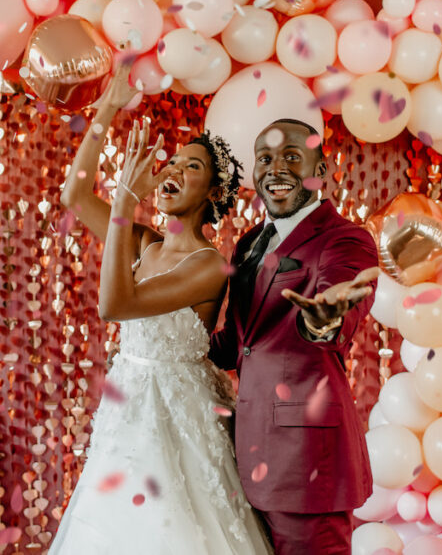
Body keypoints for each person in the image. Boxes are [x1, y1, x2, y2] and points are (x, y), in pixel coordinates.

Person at [50, 62, 272, 555]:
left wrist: (126, 208)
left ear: (213, 193)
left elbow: (115, 304)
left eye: (191, 167)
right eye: (172, 161)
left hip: (177, 416)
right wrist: (108, 106)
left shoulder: (208, 264)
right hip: (127, 410)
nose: (172, 169)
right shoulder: (146, 244)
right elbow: (75, 195)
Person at [209, 119, 380, 555]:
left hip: (306, 459)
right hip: (248, 448)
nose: (275, 168)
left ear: (320, 170)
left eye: (291, 156)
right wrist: (159, 347)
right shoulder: (249, 243)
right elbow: (239, 340)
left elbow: (336, 316)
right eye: (265, 159)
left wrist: (324, 318)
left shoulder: (345, 240)